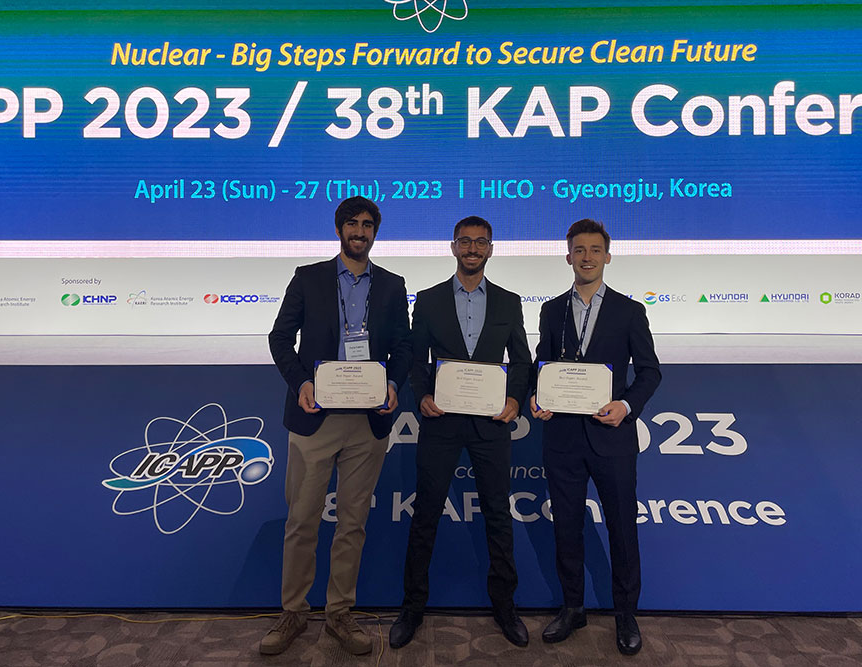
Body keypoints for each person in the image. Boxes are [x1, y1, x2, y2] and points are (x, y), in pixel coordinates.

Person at [264, 196, 412, 656]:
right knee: (301, 522)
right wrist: (302, 382)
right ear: (338, 229)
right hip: (315, 419)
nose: (359, 231)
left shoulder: (392, 285)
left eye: (367, 225)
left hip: (367, 422)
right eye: (352, 224)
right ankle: (293, 612)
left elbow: (405, 347)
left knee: (352, 524)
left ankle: (339, 613)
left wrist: (393, 383)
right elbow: (279, 338)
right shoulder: (308, 277)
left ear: (375, 233)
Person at [390, 216, 532, 649]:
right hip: (441, 422)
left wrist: (514, 399)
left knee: (498, 515)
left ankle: (505, 606)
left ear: (491, 249)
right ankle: (412, 607)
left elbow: (521, 360)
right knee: (426, 514)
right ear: (453, 246)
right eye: (465, 241)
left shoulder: (509, 301)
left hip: (492, 424)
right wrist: (422, 395)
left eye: (481, 242)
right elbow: (416, 358)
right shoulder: (428, 299)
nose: (473, 248)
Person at [530, 219, 661, 656]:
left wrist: (626, 406)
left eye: (594, 250)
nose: (587, 257)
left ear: (607, 256)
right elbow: (542, 366)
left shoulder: (629, 311)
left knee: (622, 528)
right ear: (568, 256)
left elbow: (650, 372)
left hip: (612, 439)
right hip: (563, 439)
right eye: (579, 250)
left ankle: (626, 615)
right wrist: (536, 395)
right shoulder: (551, 310)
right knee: (567, 528)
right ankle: (573, 608)